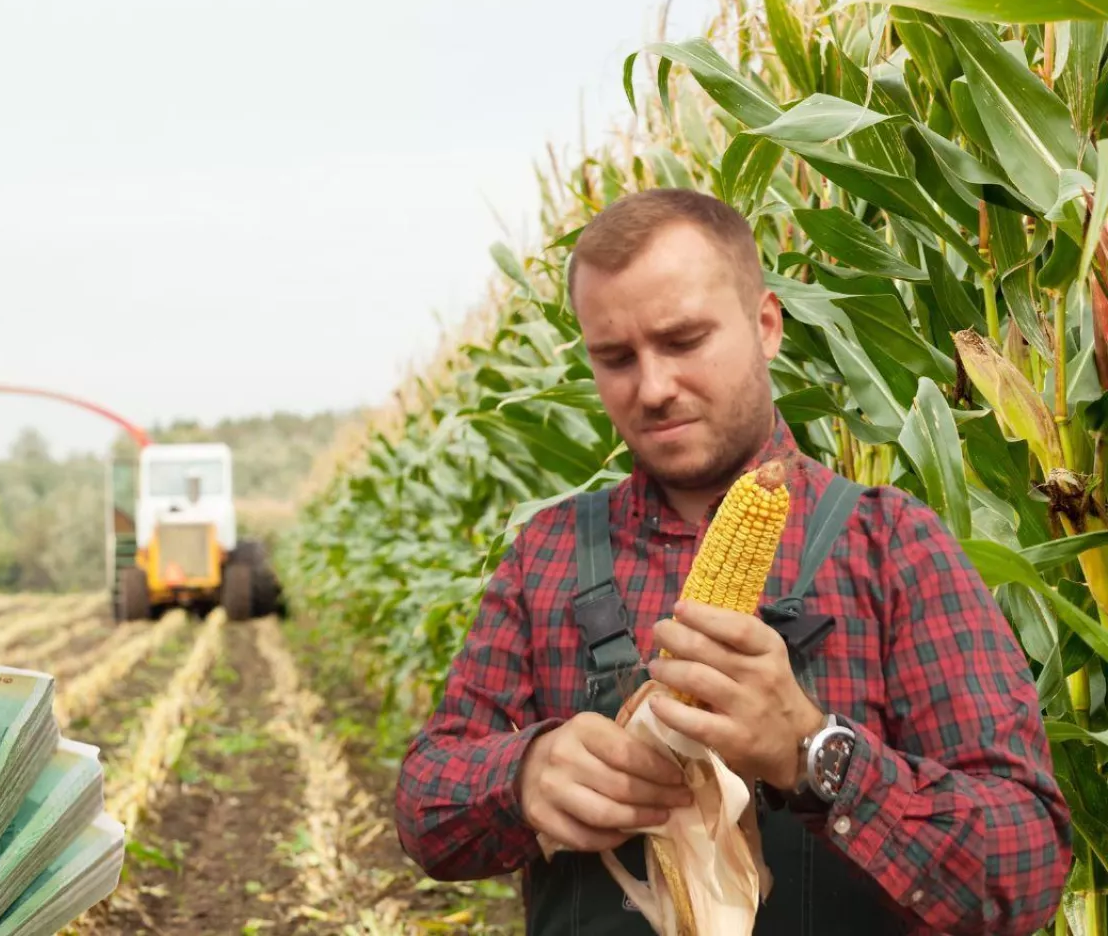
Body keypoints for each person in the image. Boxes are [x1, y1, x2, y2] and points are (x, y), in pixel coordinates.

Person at [393, 188, 1073, 935]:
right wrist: (522, 776)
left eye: (684, 341)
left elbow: (1025, 867)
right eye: (615, 358)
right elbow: (426, 807)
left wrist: (813, 752)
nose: (652, 388)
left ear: (766, 325)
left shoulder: (892, 548)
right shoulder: (548, 555)